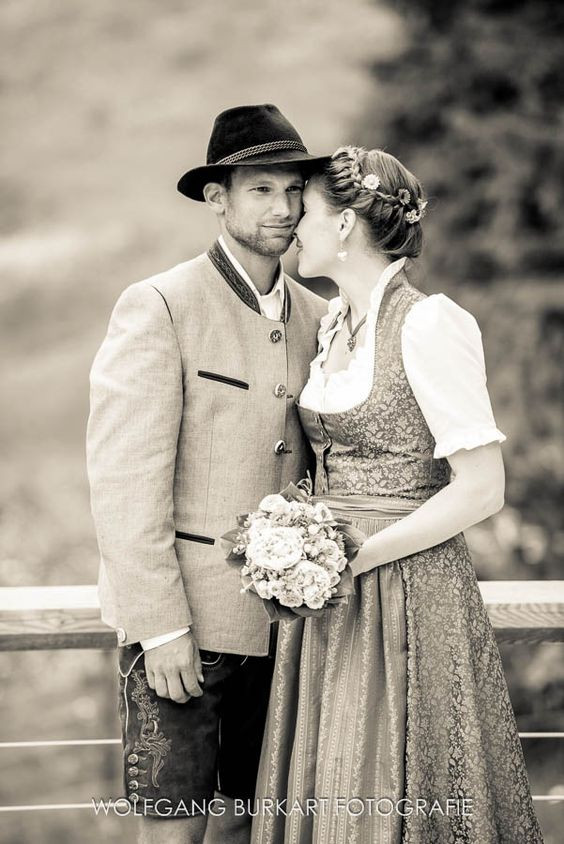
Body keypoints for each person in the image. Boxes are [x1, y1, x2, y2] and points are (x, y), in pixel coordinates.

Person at [251, 146, 543, 843]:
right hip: (330, 595)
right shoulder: (328, 326)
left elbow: (481, 490)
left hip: (409, 588)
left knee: (401, 777)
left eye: (309, 210)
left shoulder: (428, 323)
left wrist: (356, 556)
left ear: (347, 224)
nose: (294, 223)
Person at [86, 103, 328, 844]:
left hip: (290, 635)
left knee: (259, 830)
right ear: (216, 197)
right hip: (185, 634)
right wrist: (160, 630)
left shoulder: (322, 315)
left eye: (293, 191)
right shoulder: (159, 304)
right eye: (261, 190)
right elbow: (125, 482)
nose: (283, 209)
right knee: (174, 833)